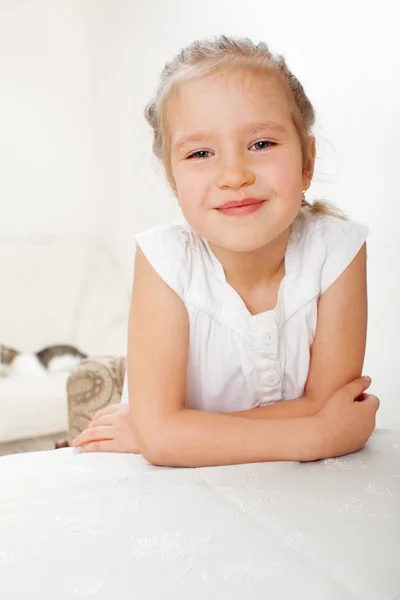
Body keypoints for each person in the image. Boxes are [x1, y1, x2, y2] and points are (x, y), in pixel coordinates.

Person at [72, 35, 379, 466]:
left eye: (261, 144)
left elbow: (329, 404)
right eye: (200, 152)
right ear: (173, 180)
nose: (234, 174)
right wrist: (314, 438)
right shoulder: (165, 259)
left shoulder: (338, 250)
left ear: (307, 161)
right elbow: (162, 439)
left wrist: (174, 431)